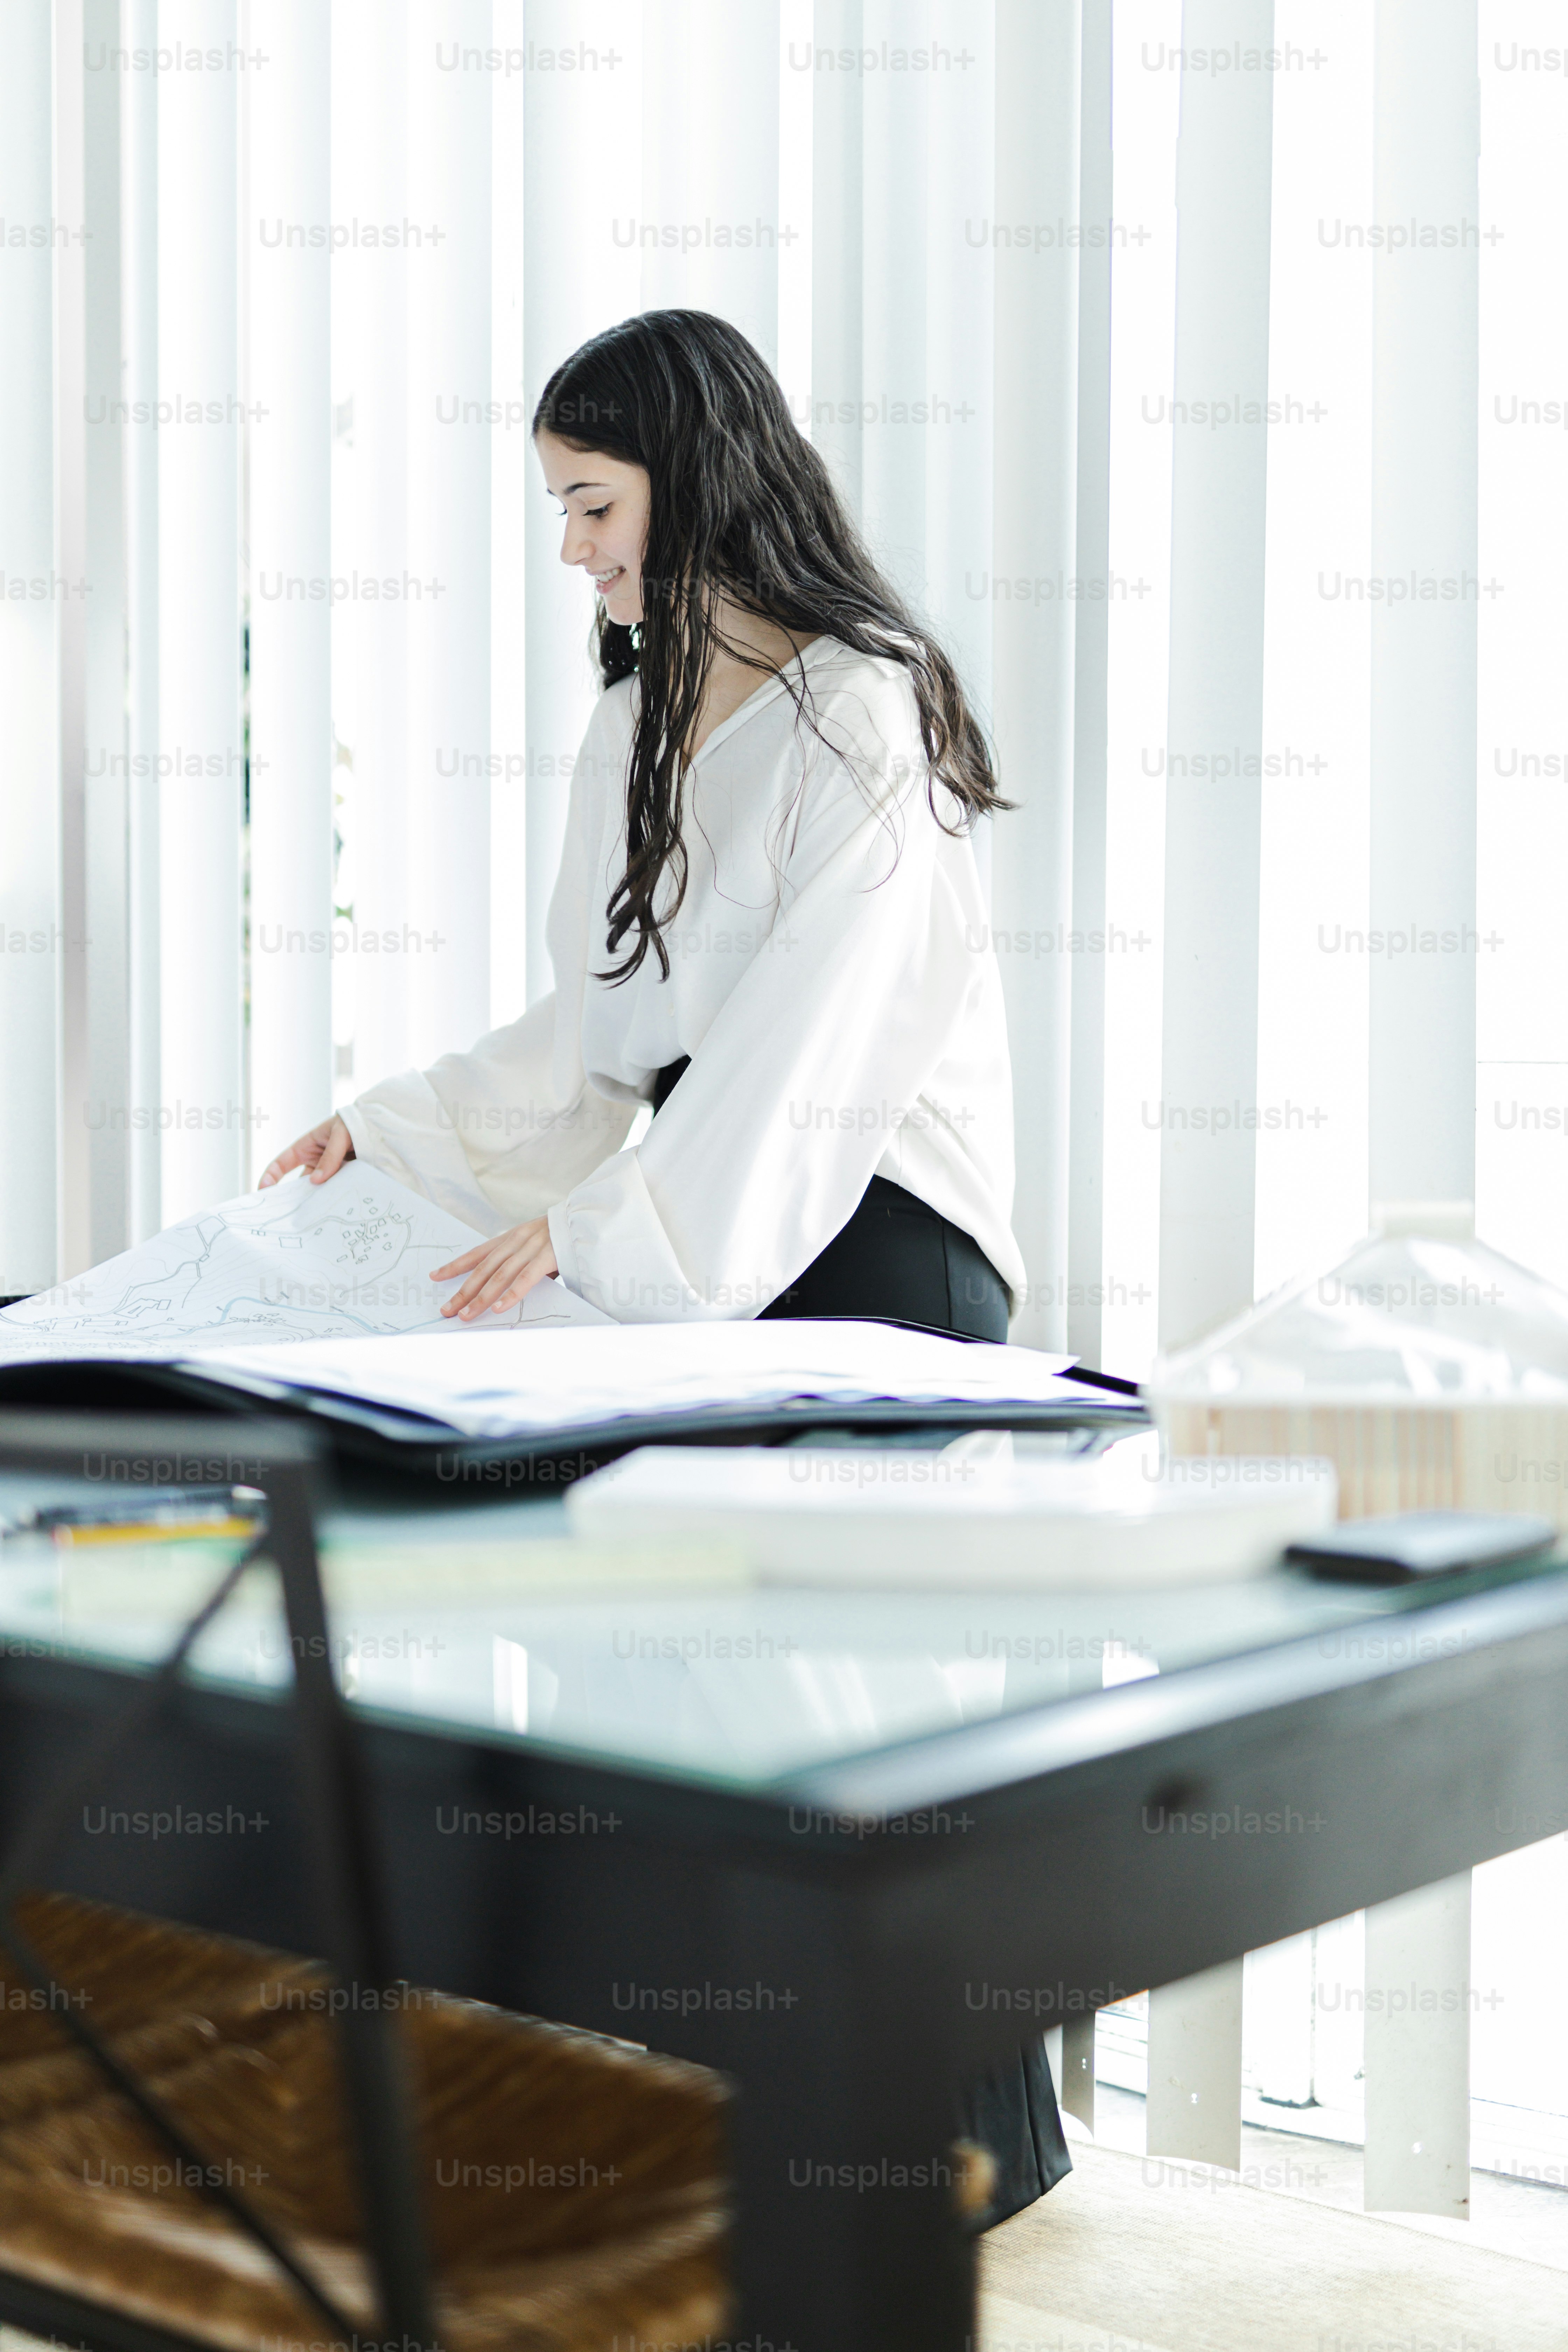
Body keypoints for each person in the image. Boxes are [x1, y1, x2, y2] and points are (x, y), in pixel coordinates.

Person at [259, 307, 1069, 2223]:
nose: (573, 552)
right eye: (559, 508)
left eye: (594, 503)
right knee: (687, 1675)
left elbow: (813, 1059)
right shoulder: (641, 712)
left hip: (881, 1240)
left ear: (697, 476)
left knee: (841, 1715)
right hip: (720, 1224)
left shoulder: (864, 709)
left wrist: (623, 1231)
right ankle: (792, 2105)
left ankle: (976, 2145)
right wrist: (398, 1122)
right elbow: (598, 1035)